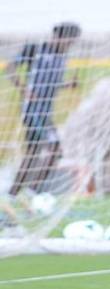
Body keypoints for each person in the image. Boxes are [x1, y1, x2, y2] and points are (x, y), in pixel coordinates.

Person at [5, 21, 81, 196]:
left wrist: (68, 84)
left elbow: (50, 84)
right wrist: (24, 89)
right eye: (68, 41)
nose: (70, 46)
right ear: (58, 37)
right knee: (42, 150)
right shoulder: (36, 50)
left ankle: (25, 192)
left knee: (48, 151)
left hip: (46, 113)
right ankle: (21, 193)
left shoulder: (63, 57)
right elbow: (10, 68)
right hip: (33, 111)